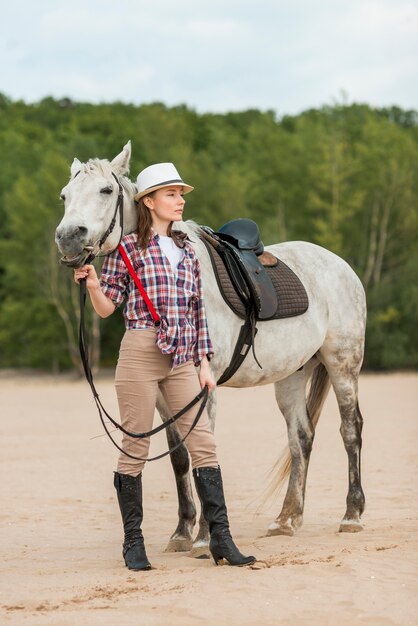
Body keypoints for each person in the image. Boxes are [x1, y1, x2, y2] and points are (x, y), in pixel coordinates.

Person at [74, 162, 255, 571]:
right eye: (172, 194)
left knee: (203, 444)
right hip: (140, 350)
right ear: (149, 201)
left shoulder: (189, 250)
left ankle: (221, 538)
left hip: (183, 358)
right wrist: (93, 285)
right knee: (135, 446)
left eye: (181, 194)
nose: (180, 200)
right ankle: (133, 542)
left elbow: (197, 312)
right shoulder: (124, 250)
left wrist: (204, 364)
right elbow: (107, 310)